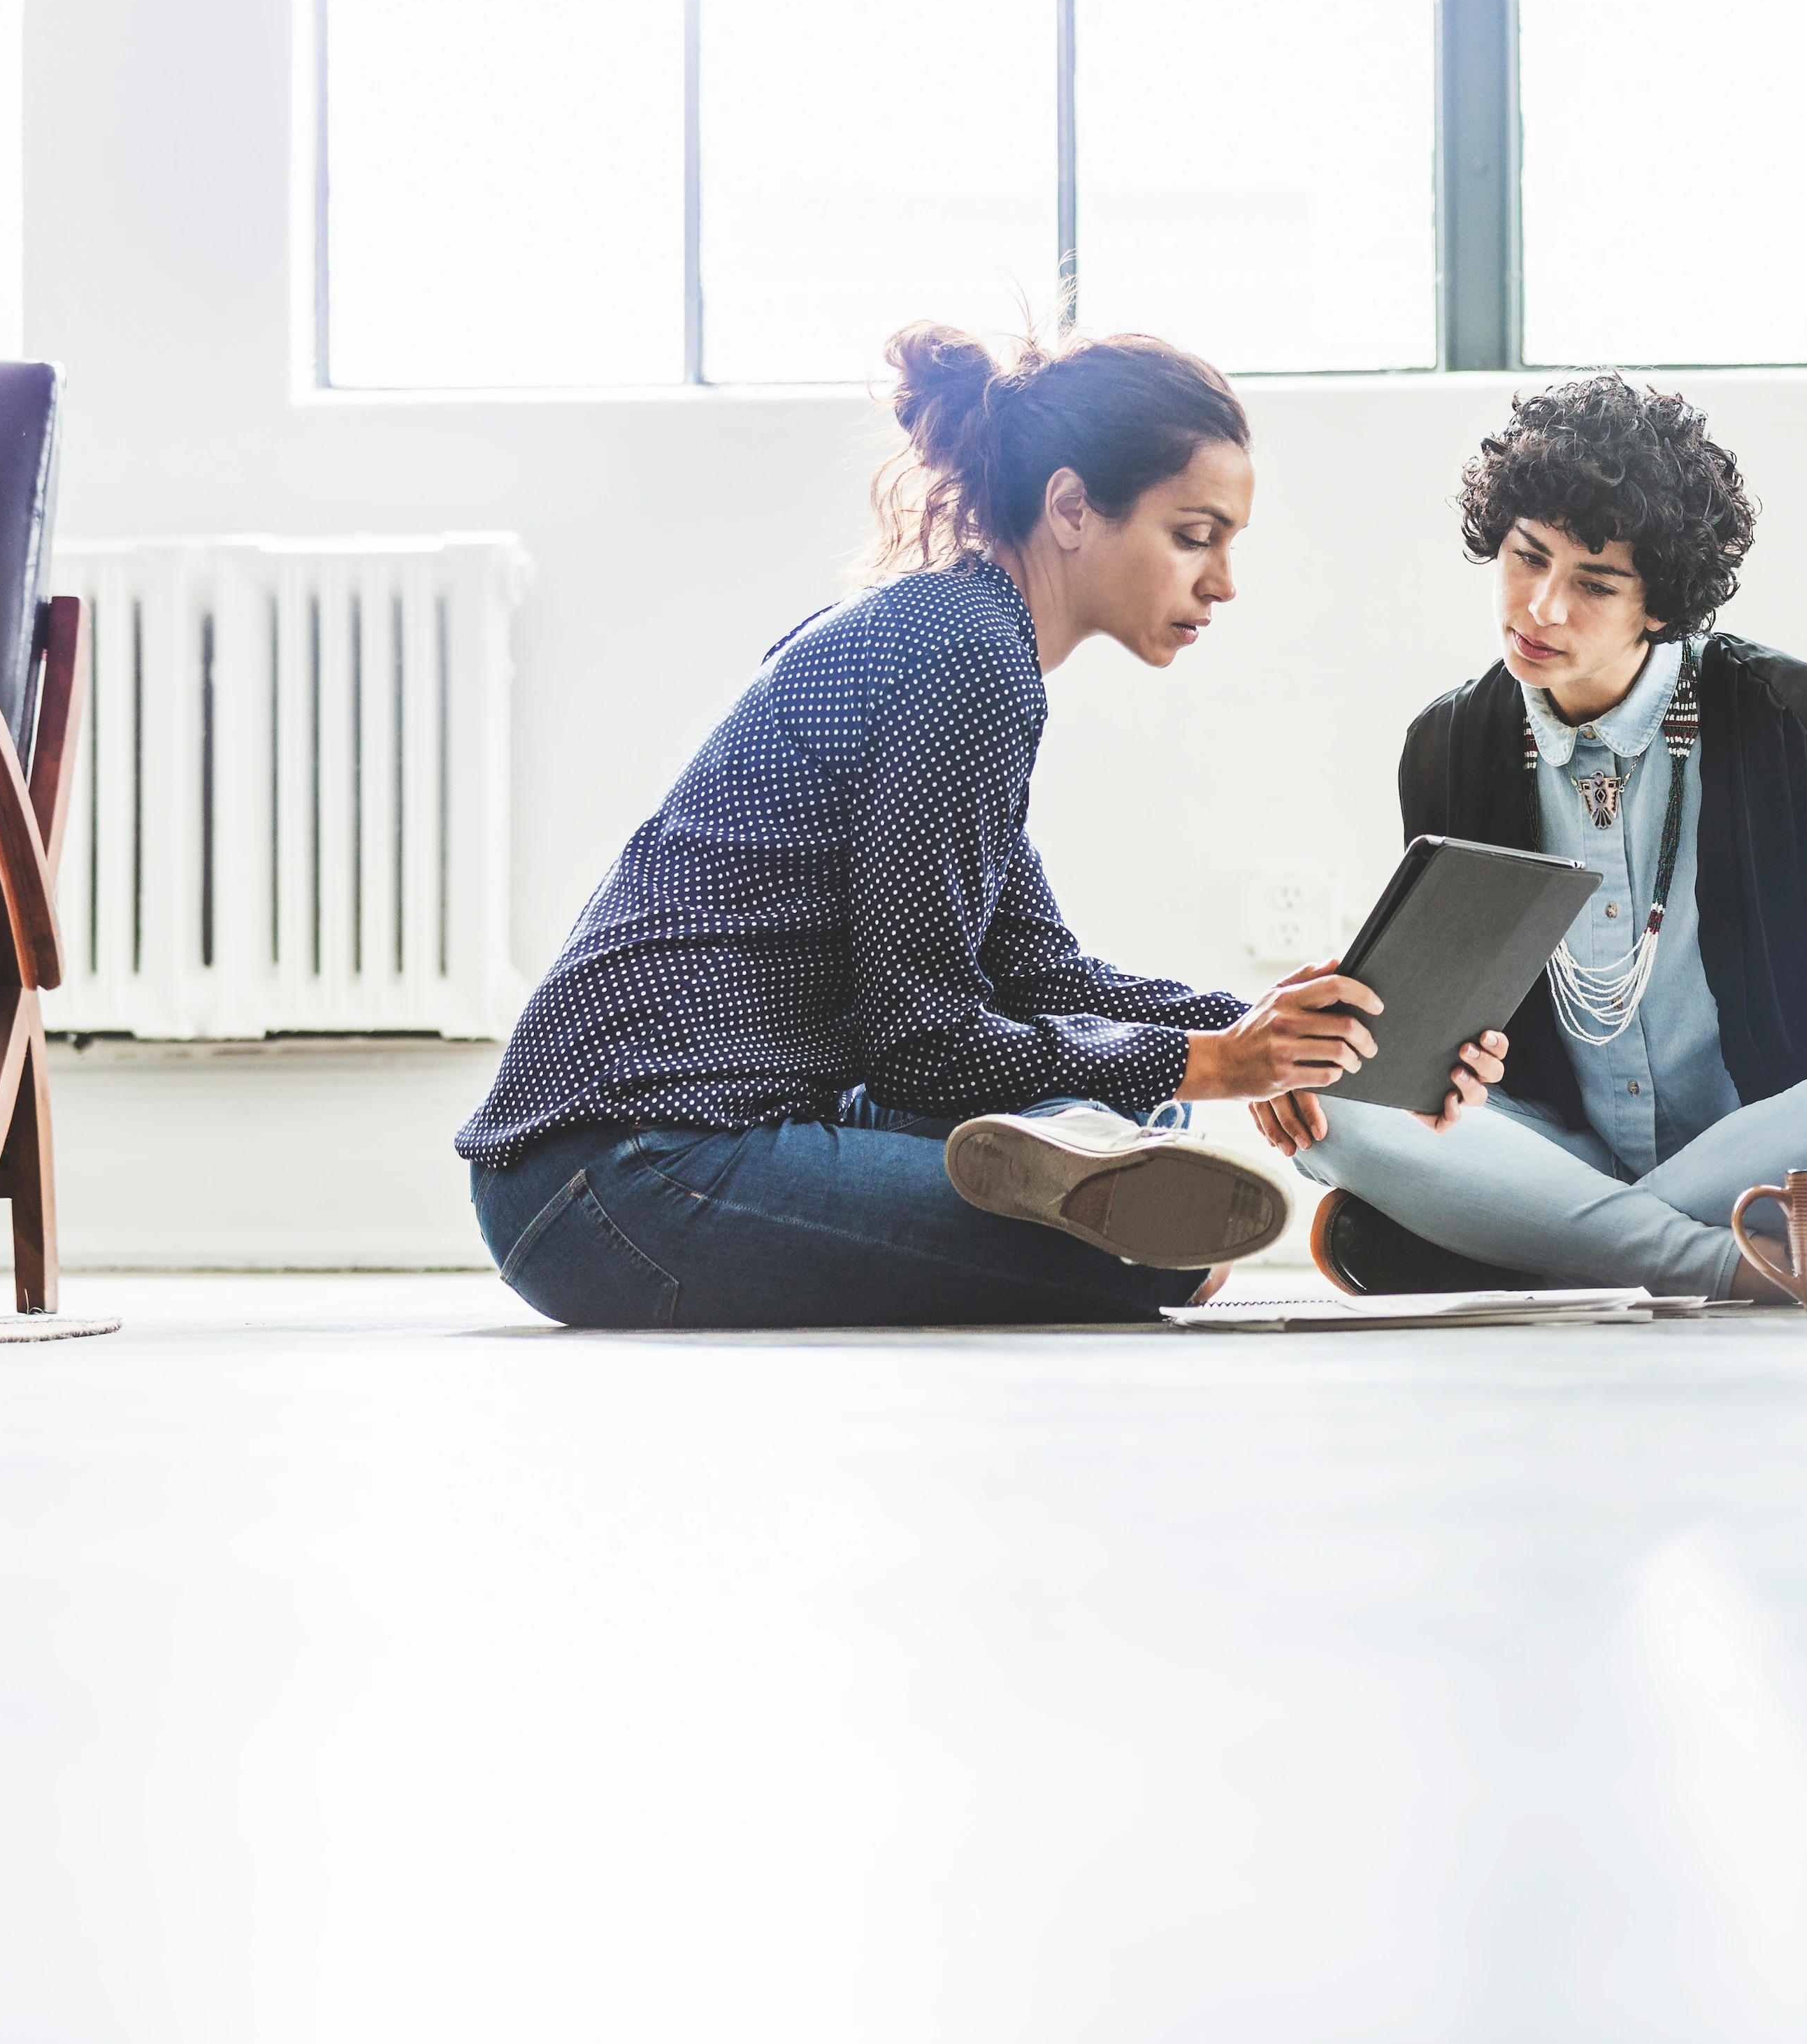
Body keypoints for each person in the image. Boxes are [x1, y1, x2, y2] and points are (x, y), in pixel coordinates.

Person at [459, 321, 1504, 1330]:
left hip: (650, 1145)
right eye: (1193, 536)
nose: (1223, 583)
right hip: (621, 1173)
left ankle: (1076, 1144)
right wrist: (1221, 1061)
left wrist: (1272, 1032)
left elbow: (1041, 971)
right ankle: (1079, 1157)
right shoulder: (966, 658)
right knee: (1170, 1239)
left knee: (1155, 1128)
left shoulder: (956, 631)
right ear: (1070, 507)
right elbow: (922, 1044)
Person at [1258, 373, 1807, 1302]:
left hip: (1781, 1130)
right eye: (1526, 556)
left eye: (1594, 582)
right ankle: (1732, 1259)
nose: (1541, 607)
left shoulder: (1780, 713)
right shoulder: (1450, 744)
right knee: (1332, 1105)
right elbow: (1450, 1029)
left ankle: (1538, 1241)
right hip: (1571, 1144)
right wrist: (1349, 1032)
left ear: (1663, 604)